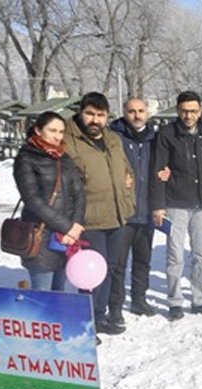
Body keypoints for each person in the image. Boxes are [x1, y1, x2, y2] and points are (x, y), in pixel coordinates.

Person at [63, 92, 135, 336]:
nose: (95, 120)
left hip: (117, 215)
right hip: (89, 219)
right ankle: (88, 322)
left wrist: (128, 198)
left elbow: (126, 171)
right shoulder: (69, 140)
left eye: (100, 115)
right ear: (81, 112)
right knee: (91, 273)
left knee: (112, 268)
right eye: (90, 114)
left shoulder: (113, 139)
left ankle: (102, 315)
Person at [150, 91, 202, 320]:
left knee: (201, 254)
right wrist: (158, 205)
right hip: (176, 203)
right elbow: (158, 170)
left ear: (200, 111)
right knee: (175, 254)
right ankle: (175, 301)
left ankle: (199, 298)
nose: (188, 115)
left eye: (193, 111)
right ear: (178, 110)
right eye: (184, 111)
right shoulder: (166, 134)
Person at [13, 112, 86, 291]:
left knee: (60, 291)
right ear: (38, 130)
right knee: (42, 293)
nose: (57, 136)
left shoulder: (64, 157)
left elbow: (79, 192)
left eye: (61, 132)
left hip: (66, 238)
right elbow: (33, 200)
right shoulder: (26, 158)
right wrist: (67, 226)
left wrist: (76, 225)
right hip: (41, 235)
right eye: (52, 130)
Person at [109, 98, 157, 321]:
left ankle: (139, 299)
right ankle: (115, 306)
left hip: (147, 210)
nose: (137, 115)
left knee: (143, 260)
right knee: (118, 263)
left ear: (147, 113)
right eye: (132, 111)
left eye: (141, 111)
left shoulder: (154, 138)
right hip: (123, 213)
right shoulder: (114, 137)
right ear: (124, 113)